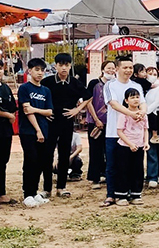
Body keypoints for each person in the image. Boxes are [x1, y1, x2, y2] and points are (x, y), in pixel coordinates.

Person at [42, 52, 89, 198]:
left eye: (67, 65)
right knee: (47, 154)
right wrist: (44, 113)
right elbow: (38, 98)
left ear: (70, 66)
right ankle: (47, 188)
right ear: (55, 66)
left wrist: (77, 109)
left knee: (64, 154)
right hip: (50, 122)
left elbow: (88, 96)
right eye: (61, 65)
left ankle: (61, 187)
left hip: (67, 123)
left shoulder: (75, 83)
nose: (64, 68)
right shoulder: (47, 82)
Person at [102, 56, 144, 207]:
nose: (128, 70)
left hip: (134, 135)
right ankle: (111, 194)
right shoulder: (110, 85)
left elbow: (143, 103)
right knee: (113, 165)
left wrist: (141, 113)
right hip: (115, 132)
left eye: (130, 67)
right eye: (125, 67)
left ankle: (132, 193)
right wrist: (131, 113)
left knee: (133, 166)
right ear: (117, 69)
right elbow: (113, 104)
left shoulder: (136, 86)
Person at [18, 58, 54, 207]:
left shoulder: (46, 90)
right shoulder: (24, 88)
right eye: (36, 70)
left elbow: (49, 111)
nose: (39, 73)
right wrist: (37, 130)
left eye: (42, 70)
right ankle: (27, 194)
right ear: (30, 71)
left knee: (41, 162)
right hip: (29, 131)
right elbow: (27, 111)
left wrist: (36, 110)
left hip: (44, 131)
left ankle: (34, 192)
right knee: (30, 161)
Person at [0, 57, 18, 207]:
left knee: (2, 162)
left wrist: (10, 114)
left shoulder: (6, 87)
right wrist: (7, 115)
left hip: (5, 132)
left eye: (0, 68)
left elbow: (12, 106)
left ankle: (1, 193)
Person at [115, 88, 149, 206]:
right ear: (126, 100)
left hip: (139, 146)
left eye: (137, 97)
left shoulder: (143, 114)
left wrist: (145, 142)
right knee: (123, 170)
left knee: (138, 170)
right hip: (125, 146)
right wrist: (130, 144)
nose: (135, 100)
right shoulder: (124, 114)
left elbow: (145, 129)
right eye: (132, 97)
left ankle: (136, 194)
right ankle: (121, 195)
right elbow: (120, 132)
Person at [85, 60, 114, 187]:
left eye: (113, 68)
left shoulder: (115, 84)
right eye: (108, 68)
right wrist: (96, 119)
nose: (111, 71)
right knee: (95, 150)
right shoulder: (94, 83)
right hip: (95, 122)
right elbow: (88, 101)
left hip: (111, 123)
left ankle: (107, 175)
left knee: (109, 150)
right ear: (103, 69)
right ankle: (94, 177)